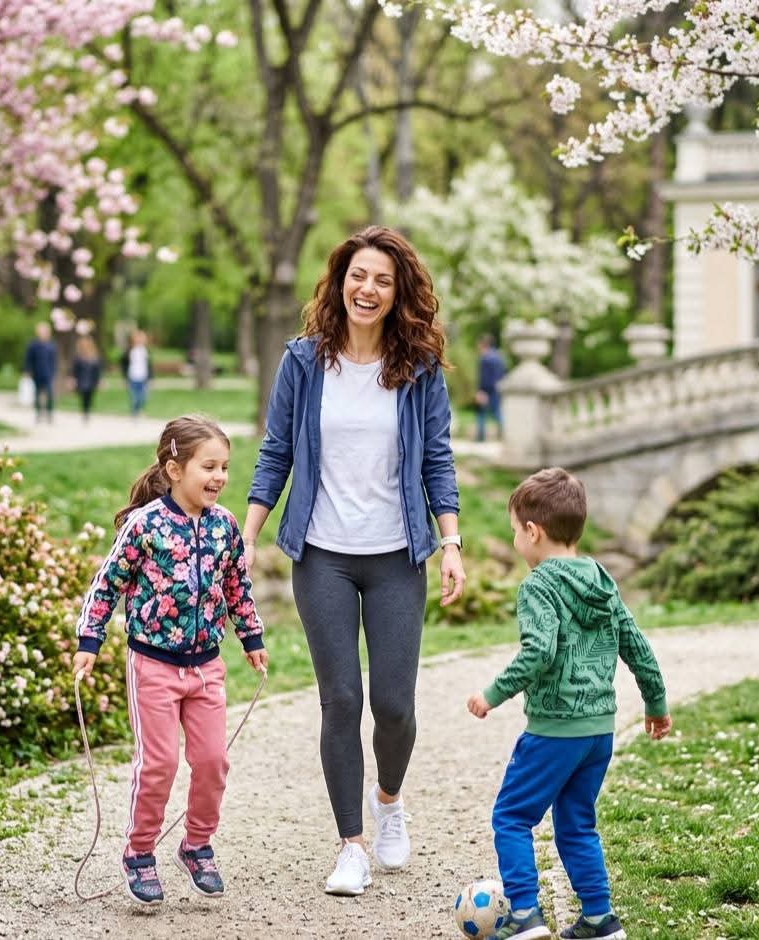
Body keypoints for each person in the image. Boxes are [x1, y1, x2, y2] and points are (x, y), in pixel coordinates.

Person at [243, 225, 467, 896]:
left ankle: (390, 801)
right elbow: (276, 450)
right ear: (340, 281)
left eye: (382, 280)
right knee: (341, 699)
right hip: (323, 555)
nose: (367, 289)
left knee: (393, 704)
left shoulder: (419, 367)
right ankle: (351, 845)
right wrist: (248, 535)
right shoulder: (304, 361)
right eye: (358, 276)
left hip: (398, 552)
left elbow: (437, 459)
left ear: (398, 294)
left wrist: (450, 541)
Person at [71, 415, 268, 906]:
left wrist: (251, 636)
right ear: (174, 468)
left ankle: (197, 844)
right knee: (157, 763)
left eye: (224, 467)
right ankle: (139, 852)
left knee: (212, 760)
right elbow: (107, 583)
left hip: (206, 667)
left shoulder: (224, 526)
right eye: (209, 466)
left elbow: (237, 587)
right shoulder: (146, 525)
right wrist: (88, 641)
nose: (220, 477)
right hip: (153, 667)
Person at [467, 467, 671, 940]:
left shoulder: (539, 586)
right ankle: (600, 920)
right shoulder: (601, 579)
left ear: (533, 532)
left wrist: (492, 694)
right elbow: (636, 644)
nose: (515, 540)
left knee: (512, 817)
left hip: (555, 729)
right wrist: (655, 703)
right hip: (598, 732)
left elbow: (540, 651)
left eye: (515, 531)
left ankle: (524, 915)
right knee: (577, 824)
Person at [23, 321, 57, 422]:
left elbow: (54, 360)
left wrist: (53, 372)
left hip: (48, 373)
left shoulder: (51, 346)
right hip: (36, 373)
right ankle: (38, 413)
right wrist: (27, 371)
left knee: (49, 393)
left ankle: (50, 413)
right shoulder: (33, 345)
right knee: (37, 394)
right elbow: (28, 359)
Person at [475, 334, 507, 442]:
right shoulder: (499, 357)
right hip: (497, 389)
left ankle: (480, 437)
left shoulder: (485, 358)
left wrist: (481, 391)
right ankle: (505, 434)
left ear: (484, 345)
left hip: (487, 390)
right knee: (497, 413)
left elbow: (484, 377)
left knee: (481, 414)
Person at [72, 334, 102, 421]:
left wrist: (99, 381)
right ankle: (84, 412)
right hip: (81, 380)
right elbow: (74, 369)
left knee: (89, 396)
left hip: (91, 380)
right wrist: (72, 379)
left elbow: (98, 370)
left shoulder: (94, 357)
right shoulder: (78, 357)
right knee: (83, 396)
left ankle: (87, 411)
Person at [121, 330, 151, 416]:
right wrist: (124, 378)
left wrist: (150, 378)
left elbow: (149, 365)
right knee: (133, 396)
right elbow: (124, 365)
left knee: (143, 396)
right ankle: (134, 412)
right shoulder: (129, 351)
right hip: (132, 376)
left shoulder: (146, 351)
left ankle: (139, 409)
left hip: (143, 377)